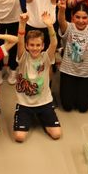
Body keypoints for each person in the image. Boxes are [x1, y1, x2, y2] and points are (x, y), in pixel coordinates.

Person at [13, 12, 61, 142]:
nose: (35, 48)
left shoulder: (46, 57)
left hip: (44, 102)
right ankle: (30, 115)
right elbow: (20, 41)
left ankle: (40, 115)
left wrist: (50, 26)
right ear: (27, 46)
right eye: (32, 45)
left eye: (38, 45)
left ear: (43, 46)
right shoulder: (23, 57)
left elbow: (54, 43)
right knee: (19, 137)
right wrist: (22, 24)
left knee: (56, 134)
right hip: (24, 103)